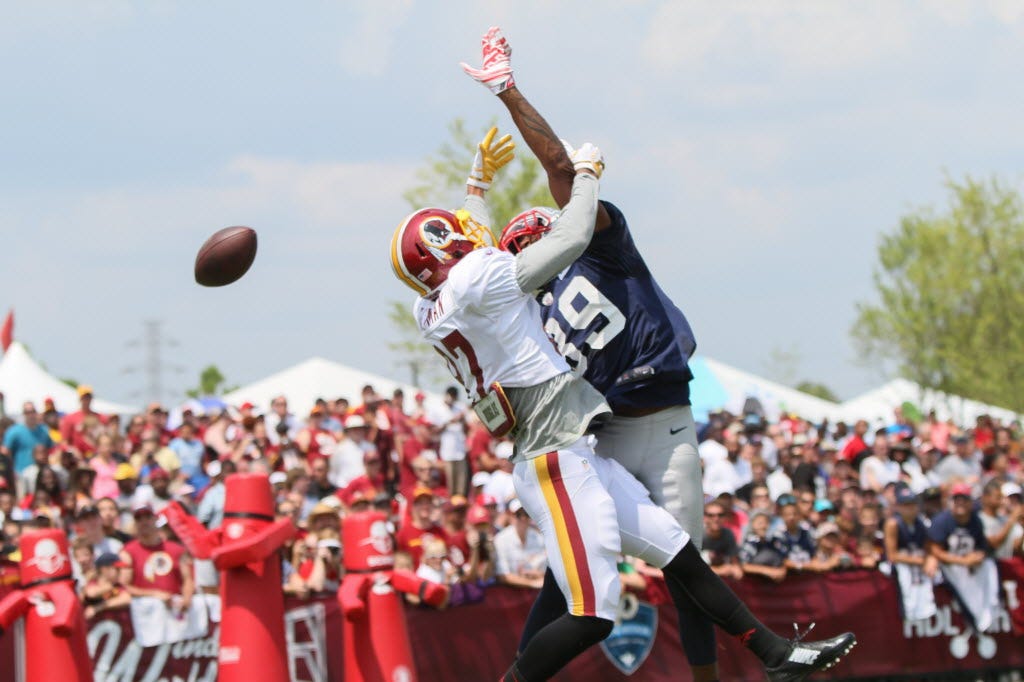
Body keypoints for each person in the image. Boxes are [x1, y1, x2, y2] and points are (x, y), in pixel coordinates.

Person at [393, 103, 852, 682]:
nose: (466, 234)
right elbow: (566, 232)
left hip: (574, 448)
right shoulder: (475, 283)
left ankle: (776, 656)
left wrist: (476, 186)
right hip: (553, 459)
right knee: (593, 614)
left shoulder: (434, 302)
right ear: (442, 252)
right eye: (452, 235)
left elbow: (465, 246)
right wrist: (586, 173)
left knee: (679, 552)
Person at [2, 402, 53, 475]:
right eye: (27, 412)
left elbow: (51, 449)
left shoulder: (44, 430)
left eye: (33, 411)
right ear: (23, 414)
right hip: (21, 472)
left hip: (42, 474)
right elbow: (5, 452)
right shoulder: (14, 431)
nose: (31, 415)